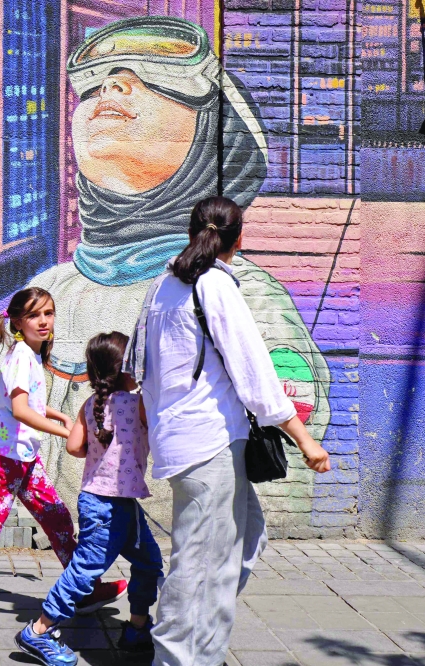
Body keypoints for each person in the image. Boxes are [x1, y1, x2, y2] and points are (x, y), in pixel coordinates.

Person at [0, 17, 330, 530]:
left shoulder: (243, 296)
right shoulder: (49, 291)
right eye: (96, 83)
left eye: (151, 78)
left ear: (212, 134)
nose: (112, 85)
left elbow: (279, 482)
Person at [125, 196, 331, 666]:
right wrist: (304, 438)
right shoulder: (214, 287)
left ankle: (195, 639)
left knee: (245, 535)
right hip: (209, 444)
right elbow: (256, 374)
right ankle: (182, 656)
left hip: (187, 441)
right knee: (202, 565)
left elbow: (140, 368)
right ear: (240, 239)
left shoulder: (163, 286)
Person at [0, 288, 125, 635]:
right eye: (34, 315)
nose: (44, 321)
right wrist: (70, 433)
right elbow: (19, 410)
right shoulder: (20, 358)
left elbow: (27, 403)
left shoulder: (29, 355)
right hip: (7, 460)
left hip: (24, 458)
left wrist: (58, 415)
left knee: (59, 521)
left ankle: (87, 590)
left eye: (48, 313)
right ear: (17, 321)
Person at [14, 332, 163, 666]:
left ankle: (137, 629)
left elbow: (73, 447)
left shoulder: (91, 405)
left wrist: (102, 450)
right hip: (109, 507)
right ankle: (38, 631)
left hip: (109, 501)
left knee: (149, 562)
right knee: (85, 571)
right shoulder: (138, 403)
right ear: (127, 368)